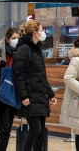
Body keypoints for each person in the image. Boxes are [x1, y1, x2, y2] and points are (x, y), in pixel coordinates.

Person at [13, 20, 57, 151]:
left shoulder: (37, 50)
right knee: (36, 129)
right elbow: (18, 74)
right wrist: (23, 95)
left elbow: (41, 76)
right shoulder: (24, 49)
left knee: (41, 131)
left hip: (40, 96)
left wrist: (50, 94)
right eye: (41, 30)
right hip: (30, 96)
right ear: (34, 33)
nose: (43, 33)